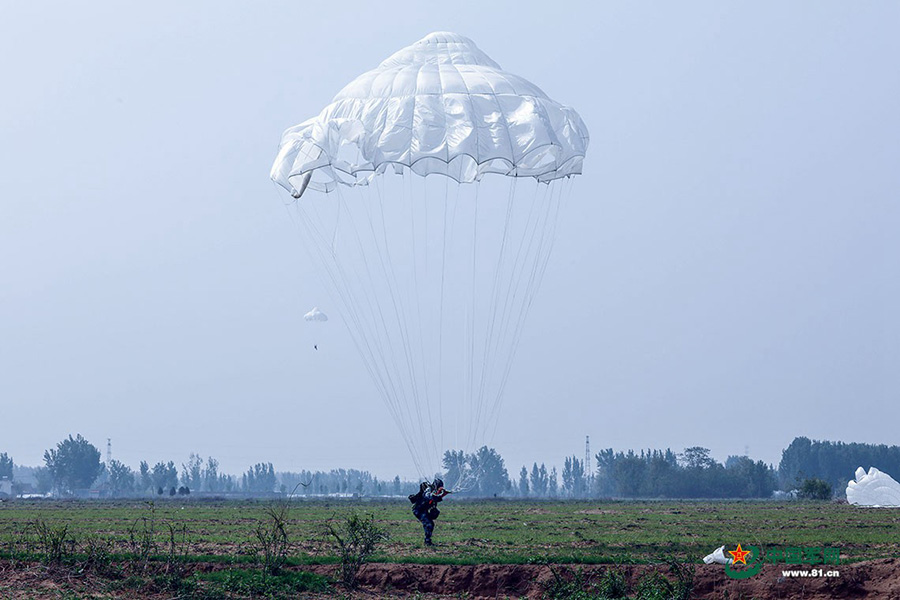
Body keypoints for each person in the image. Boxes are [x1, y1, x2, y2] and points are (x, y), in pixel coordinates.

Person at [409, 478, 451, 546]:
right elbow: (429, 496)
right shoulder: (428, 490)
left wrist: (443, 494)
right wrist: (440, 495)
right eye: (439, 487)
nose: (439, 489)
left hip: (423, 510)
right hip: (418, 509)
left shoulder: (436, 492)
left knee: (430, 523)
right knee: (428, 524)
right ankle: (427, 542)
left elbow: (436, 499)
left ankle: (427, 540)